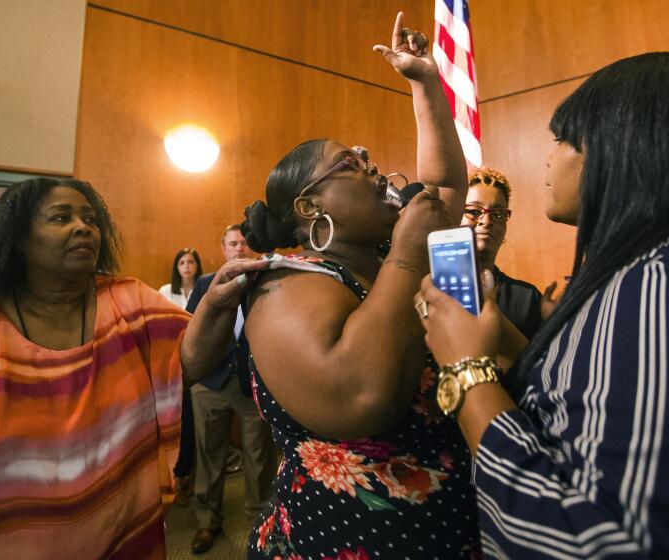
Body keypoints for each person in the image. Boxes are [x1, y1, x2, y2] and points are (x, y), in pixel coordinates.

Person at [416, 51, 669, 558]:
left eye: (563, 139)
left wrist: (466, 373)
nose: (549, 158)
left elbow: (606, 545)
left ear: (624, 149)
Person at [182, 12, 482, 559]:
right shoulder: (287, 283)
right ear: (309, 207)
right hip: (340, 540)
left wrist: (425, 83)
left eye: (366, 156)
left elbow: (441, 188)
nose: (371, 166)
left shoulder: (383, 262)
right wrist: (412, 256)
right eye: (351, 162)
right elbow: (359, 395)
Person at [0, 178, 192, 559]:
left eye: (90, 218)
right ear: (19, 238)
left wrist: (220, 300)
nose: (83, 226)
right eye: (61, 217)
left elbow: (192, 355)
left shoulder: (127, 298)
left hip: (122, 533)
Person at [184, 224, 277, 555]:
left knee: (259, 457)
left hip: (252, 386)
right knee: (209, 455)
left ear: (250, 247)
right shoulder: (206, 284)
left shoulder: (266, 283)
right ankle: (208, 523)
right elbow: (189, 328)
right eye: (232, 243)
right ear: (223, 249)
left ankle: (260, 520)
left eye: (243, 243)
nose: (238, 248)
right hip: (210, 384)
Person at [461, 166, 554, 338]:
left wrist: (555, 325)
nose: (486, 221)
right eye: (474, 211)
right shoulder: (430, 289)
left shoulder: (527, 299)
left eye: (497, 214)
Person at [159, 247, 204, 508]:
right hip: (173, 367)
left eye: (191, 262)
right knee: (180, 424)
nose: (187, 266)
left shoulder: (203, 289)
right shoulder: (166, 291)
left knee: (201, 428)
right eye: (182, 262)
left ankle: (193, 478)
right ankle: (179, 477)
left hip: (201, 365)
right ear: (176, 267)